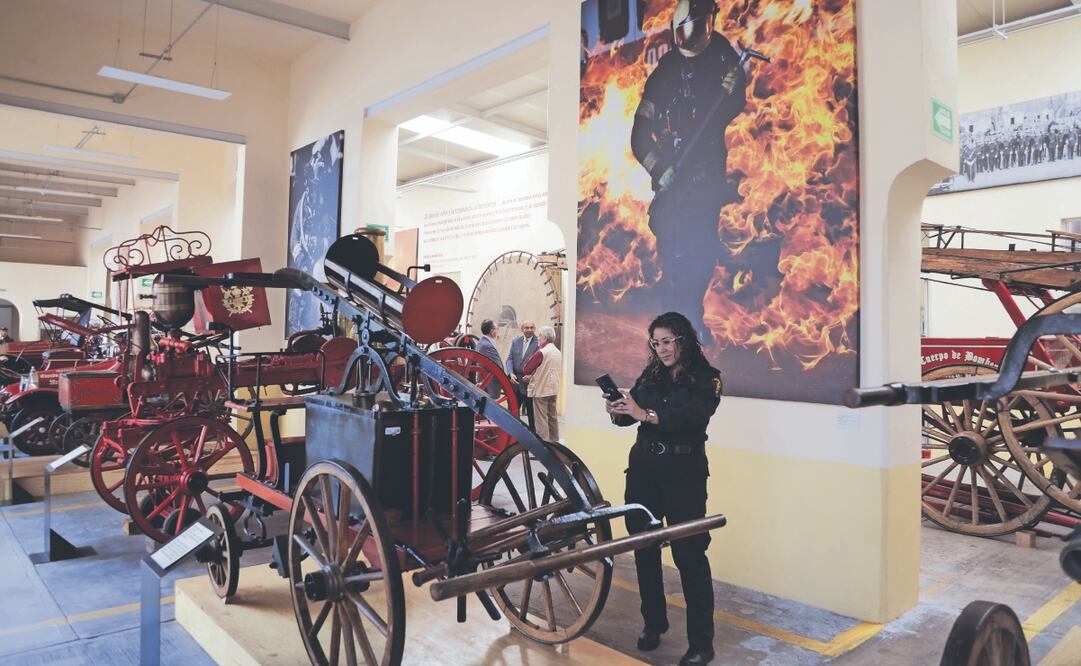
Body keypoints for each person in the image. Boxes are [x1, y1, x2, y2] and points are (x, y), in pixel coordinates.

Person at [606, 311, 722, 666]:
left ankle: (701, 644)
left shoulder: (707, 378)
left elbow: (691, 417)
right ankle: (653, 623)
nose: (662, 349)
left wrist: (647, 414)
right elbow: (630, 416)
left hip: (684, 477)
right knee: (645, 549)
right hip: (644, 472)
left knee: (690, 556)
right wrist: (618, 410)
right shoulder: (651, 374)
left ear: (683, 340)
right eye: (656, 343)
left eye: (667, 341)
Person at [631, 0, 748, 341]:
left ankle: (692, 319)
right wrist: (659, 168)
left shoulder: (723, 55)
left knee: (703, 252)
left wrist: (735, 87)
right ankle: (670, 328)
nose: (696, 34)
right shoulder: (664, 73)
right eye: (689, 28)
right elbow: (639, 135)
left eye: (702, 25)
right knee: (673, 255)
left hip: (707, 179)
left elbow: (729, 108)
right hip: (673, 179)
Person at [522, 326, 561, 442]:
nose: (538, 338)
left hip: (541, 390)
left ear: (545, 337)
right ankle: (554, 443)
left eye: (540, 336)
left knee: (541, 420)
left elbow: (526, 369)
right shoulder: (557, 352)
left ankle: (544, 445)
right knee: (552, 418)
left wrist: (531, 375)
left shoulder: (542, 352)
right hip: (553, 389)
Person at [505, 320, 540, 429]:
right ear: (522, 329)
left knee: (532, 416)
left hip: (530, 385)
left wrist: (532, 376)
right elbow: (510, 358)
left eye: (532, 327)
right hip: (516, 383)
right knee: (513, 414)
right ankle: (513, 435)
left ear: (534, 329)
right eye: (527, 328)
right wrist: (510, 373)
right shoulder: (516, 341)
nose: (529, 330)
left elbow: (541, 363)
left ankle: (533, 437)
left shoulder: (538, 343)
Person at [475, 319, 504, 398]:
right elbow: (497, 367)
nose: (497, 331)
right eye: (497, 329)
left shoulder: (482, 342)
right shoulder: (487, 346)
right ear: (492, 331)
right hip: (490, 384)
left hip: (484, 381)